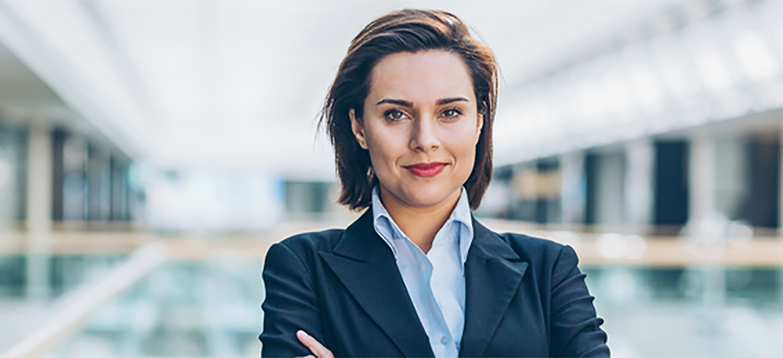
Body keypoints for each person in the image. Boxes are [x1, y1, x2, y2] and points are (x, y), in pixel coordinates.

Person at [259, 9, 609, 358]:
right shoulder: (302, 268)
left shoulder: (547, 270)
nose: (425, 140)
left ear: (479, 122)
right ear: (359, 127)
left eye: (450, 112)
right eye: (395, 114)